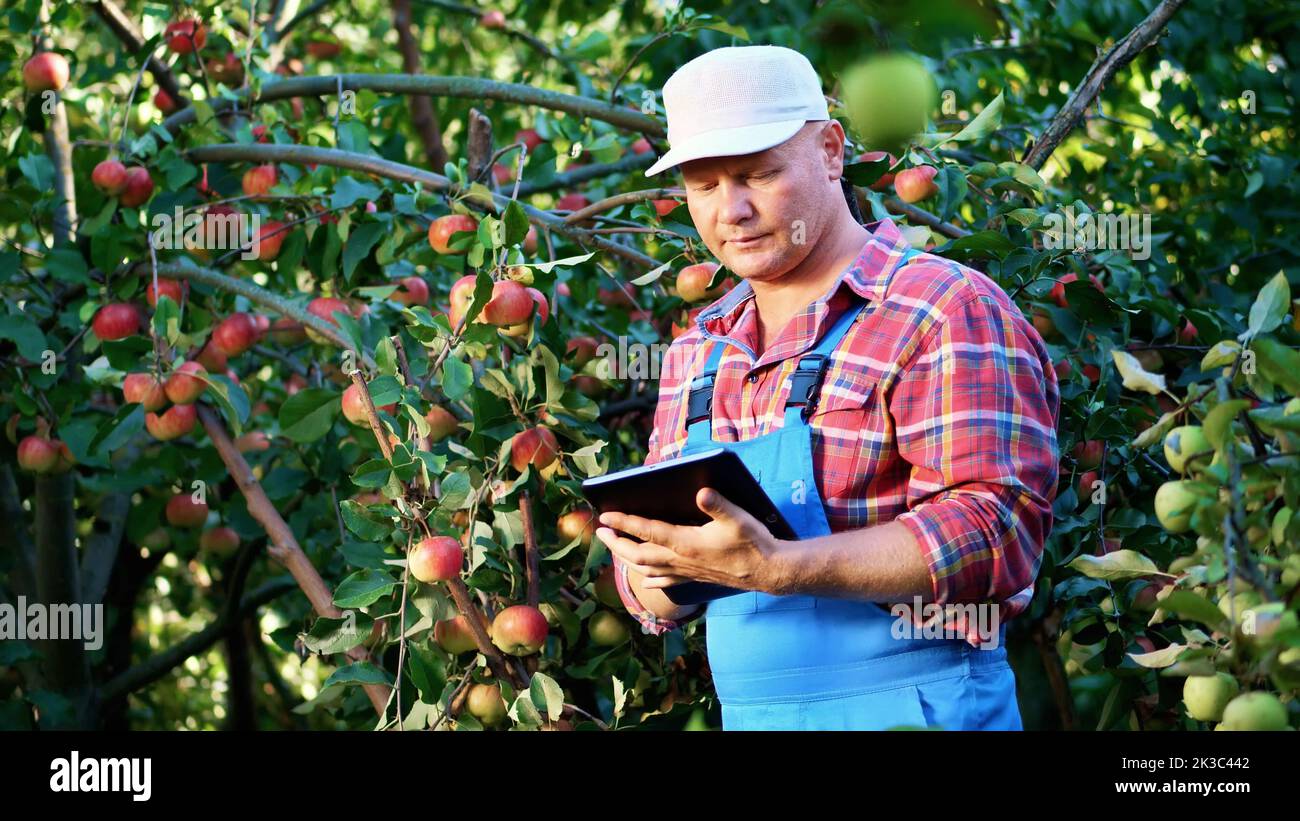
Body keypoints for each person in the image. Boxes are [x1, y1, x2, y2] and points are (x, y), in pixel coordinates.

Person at [594, 45, 1061, 730]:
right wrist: (651, 567)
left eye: (758, 173)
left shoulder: (940, 307)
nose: (734, 210)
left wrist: (782, 567)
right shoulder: (698, 351)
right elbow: (654, 600)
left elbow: (997, 528)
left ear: (831, 150)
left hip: (922, 709)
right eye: (704, 185)